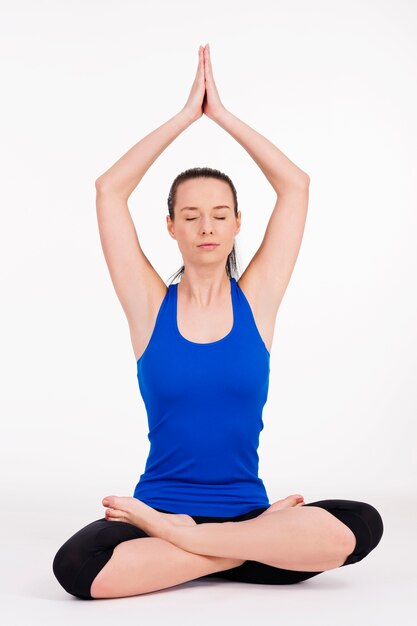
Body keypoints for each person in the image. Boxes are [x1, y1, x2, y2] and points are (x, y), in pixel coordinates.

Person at [52, 43, 383, 600]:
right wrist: (186, 117)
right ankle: (238, 550)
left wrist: (223, 117)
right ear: (171, 228)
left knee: (362, 522)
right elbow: (109, 190)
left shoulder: (258, 299)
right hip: (175, 511)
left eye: (219, 214)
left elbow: (296, 185)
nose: (206, 225)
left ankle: (193, 544)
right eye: (191, 215)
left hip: (241, 511)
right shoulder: (148, 306)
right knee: (76, 567)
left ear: (236, 225)